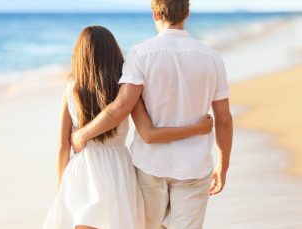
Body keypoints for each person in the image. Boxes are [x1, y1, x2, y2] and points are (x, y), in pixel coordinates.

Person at [71, 1, 234, 228]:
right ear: (187, 12)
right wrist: (223, 166)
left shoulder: (140, 53)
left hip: (150, 165)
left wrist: (82, 135)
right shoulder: (212, 57)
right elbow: (224, 119)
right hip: (194, 166)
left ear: (154, 13)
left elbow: (121, 106)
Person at [43, 26, 214, 229]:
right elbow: (149, 133)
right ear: (114, 53)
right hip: (118, 170)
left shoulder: (72, 89)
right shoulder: (124, 90)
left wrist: (60, 190)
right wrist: (196, 128)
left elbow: (63, 146)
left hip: (83, 170)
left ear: (80, 55)